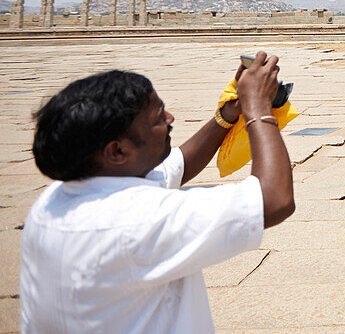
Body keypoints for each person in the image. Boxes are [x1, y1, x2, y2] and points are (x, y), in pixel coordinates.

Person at [20, 50, 295, 333]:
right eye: (157, 118)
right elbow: (274, 199)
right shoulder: (137, 220)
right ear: (117, 150)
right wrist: (258, 109)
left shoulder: (54, 200)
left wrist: (228, 114)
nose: (170, 118)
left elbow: (177, 165)